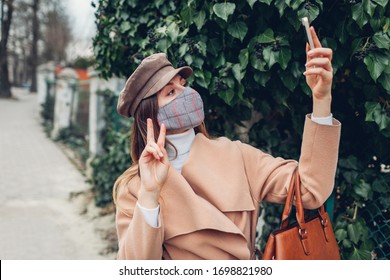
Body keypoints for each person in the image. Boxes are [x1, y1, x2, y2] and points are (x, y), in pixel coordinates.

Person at [113, 27, 341, 260]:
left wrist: (322, 100)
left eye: (184, 84)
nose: (185, 93)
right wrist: (150, 195)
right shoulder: (135, 187)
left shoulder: (236, 155)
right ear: (150, 114)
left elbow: (310, 190)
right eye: (171, 92)